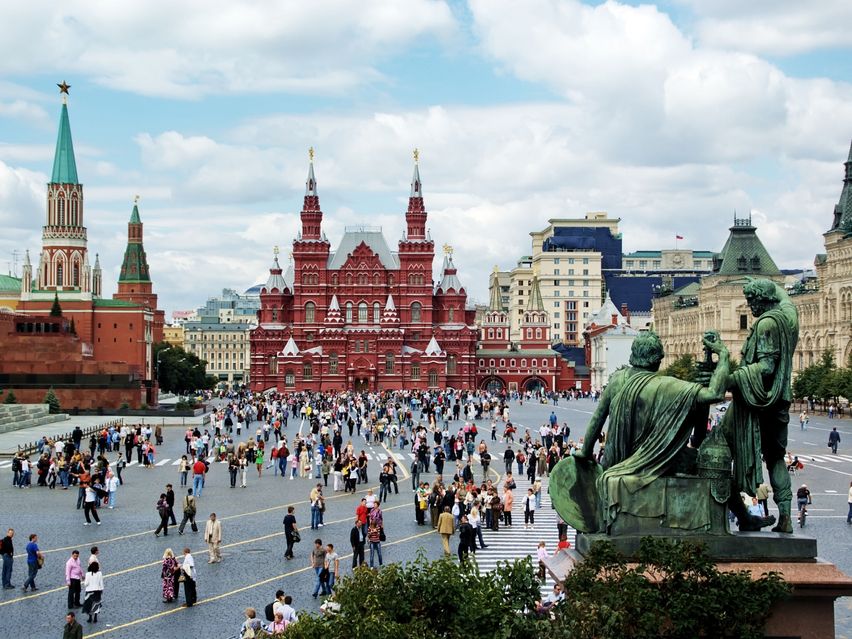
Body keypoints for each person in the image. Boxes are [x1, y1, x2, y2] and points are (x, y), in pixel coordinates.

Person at [720, 280, 798, 533]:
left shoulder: (766, 323)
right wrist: (772, 284)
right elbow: (786, 300)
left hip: (757, 403)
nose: (750, 306)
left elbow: (766, 367)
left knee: (718, 451)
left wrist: (731, 378)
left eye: (753, 300)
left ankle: (738, 515)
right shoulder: (787, 319)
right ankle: (785, 516)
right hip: (779, 404)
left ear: (764, 301)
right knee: (776, 457)